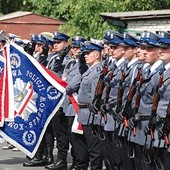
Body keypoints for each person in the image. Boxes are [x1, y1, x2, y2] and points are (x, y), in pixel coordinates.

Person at [76, 41, 104, 170]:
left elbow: (96, 97)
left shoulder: (97, 71)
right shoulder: (90, 70)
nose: (85, 56)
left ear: (97, 54)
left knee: (94, 151)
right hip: (84, 114)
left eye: (88, 53)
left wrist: (95, 117)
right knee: (86, 147)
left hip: (90, 114)